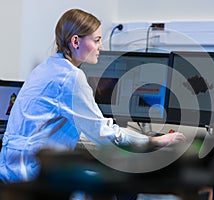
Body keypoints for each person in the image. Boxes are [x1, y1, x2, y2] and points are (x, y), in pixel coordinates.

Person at [0, 8, 186, 184]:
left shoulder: (48, 67)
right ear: (75, 42)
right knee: (105, 183)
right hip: (30, 170)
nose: (101, 47)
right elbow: (102, 133)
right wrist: (153, 141)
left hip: (12, 164)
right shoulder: (71, 77)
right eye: (96, 40)